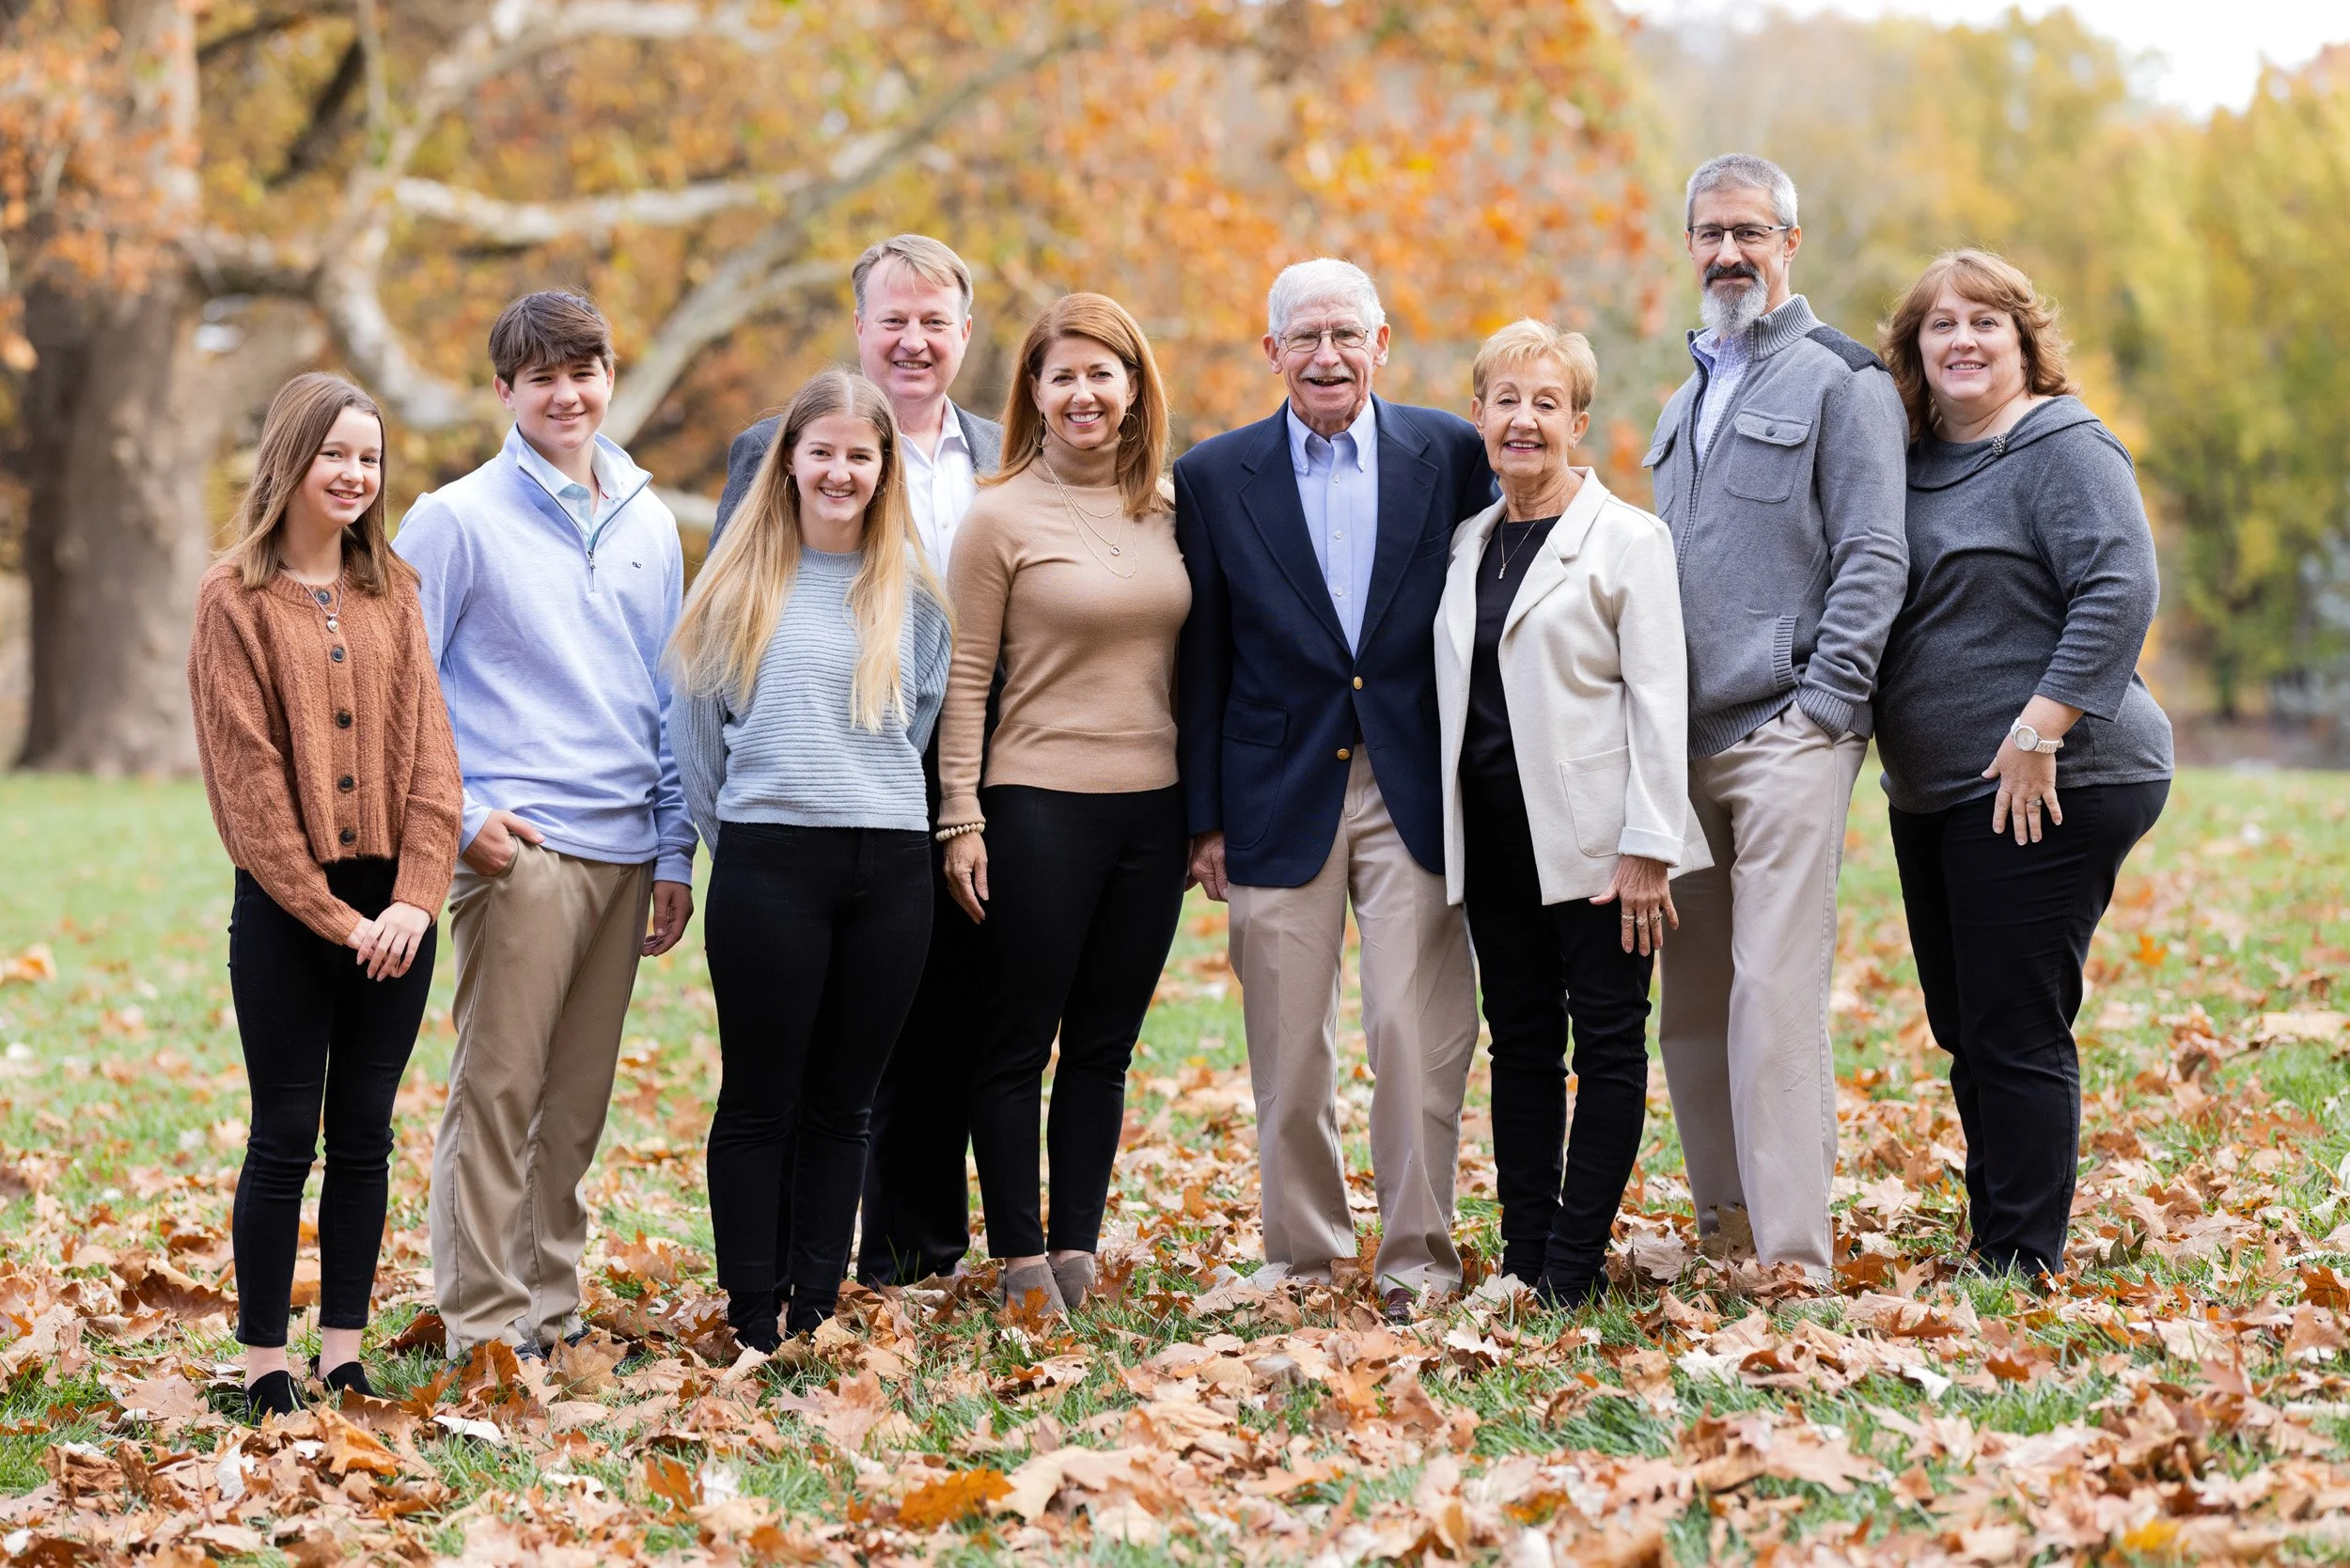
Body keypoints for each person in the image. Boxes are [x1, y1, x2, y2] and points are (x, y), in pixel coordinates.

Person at [1175, 259, 1491, 1321]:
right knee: (1287, 1041)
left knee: (1413, 1031)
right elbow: (1202, 657)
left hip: (1412, 784)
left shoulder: (1448, 452)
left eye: (1345, 336)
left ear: (1381, 344)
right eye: (1303, 338)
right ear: (1270, 352)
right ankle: (1303, 1256)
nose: (1326, 357)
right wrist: (1203, 818)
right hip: (1273, 791)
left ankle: (1417, 1258)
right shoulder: (1216, 477)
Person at [395, 291, 698, 1360]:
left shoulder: (650, 519)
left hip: (626, 850)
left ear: (610, 376)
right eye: (544, 379)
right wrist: (466, 818)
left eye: (586, 372)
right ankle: (480, 1329)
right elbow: (404, 690)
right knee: (498, 1094)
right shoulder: (455, 517)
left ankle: (550, 1315)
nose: (569, 395)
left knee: (571, 1109)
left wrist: (673, 847)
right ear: (504, 393)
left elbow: (669, 696)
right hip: (521, 851)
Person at [713, 235, 1005, 1287]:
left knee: (921, 1045)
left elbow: (940, 680)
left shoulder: (1001, 454)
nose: (915, 339)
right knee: (784, 1070)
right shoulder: (766, 459)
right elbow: (718, 681)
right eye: (896, 319)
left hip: (938, 785)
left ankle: (903, 1258)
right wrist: (739, 821)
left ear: (965, 333)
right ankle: (772, 1279)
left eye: (935, 321)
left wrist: (947, 794)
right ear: (861, 328)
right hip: (787, 810)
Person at [1873, 251, 2171, 1279]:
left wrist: (2038, 734)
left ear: (2023, 340)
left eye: (1985, 322)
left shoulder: (2060, 446)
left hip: (2054, 772)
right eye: (1939, 326)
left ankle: (2019, 1256)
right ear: (1913, 352)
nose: (1961, 341)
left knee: (2011, 1022)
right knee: (1968, 1022)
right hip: (1938, 789)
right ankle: (1996, 1228)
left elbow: (2119, 589)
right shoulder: (1911, 459)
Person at [1643, 154, 1908, 1277]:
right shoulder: (1677, 400)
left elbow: (1873, 554)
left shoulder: (1843, 384)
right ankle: (1728, 1236)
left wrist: (1825, 707)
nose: (1728, 253)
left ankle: (1794, 1260)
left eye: (1750, 231)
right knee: (1691, 1011)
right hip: (1677, 747)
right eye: (1709, 233)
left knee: (1772, 996)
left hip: (1786, 738)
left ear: (1789, 242)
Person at [187, 372, 462, 1419]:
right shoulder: (233, 599)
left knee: (365, 1134)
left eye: (369, 458)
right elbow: (248, 794)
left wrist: (416, 901)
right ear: (290, 458)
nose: (353, 474)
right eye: (334, 454)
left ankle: (343, 1351)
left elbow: (437, 761)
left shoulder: (394, 586)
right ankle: (265, 1361)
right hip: (290, 915)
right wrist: (343, 920)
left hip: (399, 912)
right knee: (282, 1133)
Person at [672, 368, 953, 1346]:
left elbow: (915, 728)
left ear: (884, 472)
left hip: (888, 871)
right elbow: (698, 746)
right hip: (766, 867)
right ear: (789, 460)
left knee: (844, 1105)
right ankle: (754, 1312)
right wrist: (744, 845)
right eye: (821, 451)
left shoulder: (913, 596)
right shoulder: (738, 587)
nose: (840, 471)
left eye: (859, 456)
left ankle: (814, 1305)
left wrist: (859, 805)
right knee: (760, 1097)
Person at [1434, 322, 1704, 1307]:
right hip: (1495, 839)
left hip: (1599, 845)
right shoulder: (1466, 543)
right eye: (1506, 400)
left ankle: (1573, 1267)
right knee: (1519, 1048)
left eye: (1546, 404)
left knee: (1605, 1045)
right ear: (1478, 416)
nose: (1524, 421)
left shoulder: (1628, 539)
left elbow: (1659, 699)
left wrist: (1648, 847)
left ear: (1578, 423)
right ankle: (1522, 1257)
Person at [934, 294, 1190, 1315]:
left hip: (1152, 813)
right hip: (1036, 805)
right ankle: (1018, 1255)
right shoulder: (997, 515)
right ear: (1033, 394)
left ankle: (1076, 1248)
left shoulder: (1172, 510)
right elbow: (962, 676)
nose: (1083, 394)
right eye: (1061, 376)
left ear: (1133, 390)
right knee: (1014, 1041)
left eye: (1102, 374)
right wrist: (961, 813)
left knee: (1104, 1045)